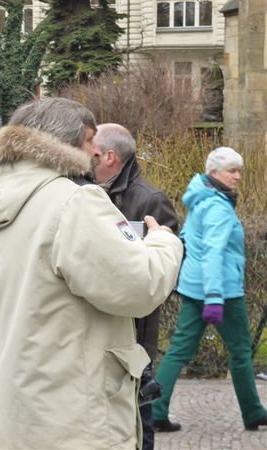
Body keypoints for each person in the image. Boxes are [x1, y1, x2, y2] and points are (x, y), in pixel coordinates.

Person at [0, 98, 183, 449]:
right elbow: (139, 285)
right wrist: (164, 243)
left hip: (26, 401)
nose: (96, 153)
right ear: (64, 142)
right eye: (89, 141)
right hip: (72, 413)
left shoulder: (6, 193)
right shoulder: (73, 201)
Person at [152, 147, 267, 432]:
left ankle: (154, 409)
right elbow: (214, 252)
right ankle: (253, 412)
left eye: (239, 170)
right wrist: (215, 296)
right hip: (222, 291)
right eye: (232, 171)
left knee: (179, 350)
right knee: (240, 351)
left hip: (195, 287)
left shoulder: (201, 197)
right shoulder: (217, 206)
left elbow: (189, 239)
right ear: (214, 173)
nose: (238, 176)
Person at [89, 123, 179, 450]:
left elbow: (168, 273)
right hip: (97, 328)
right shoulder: (85, 192)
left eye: (93, 151)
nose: (86, 155)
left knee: (140, 421)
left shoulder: (150, 199)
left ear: (110, 156)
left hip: (135, 335)